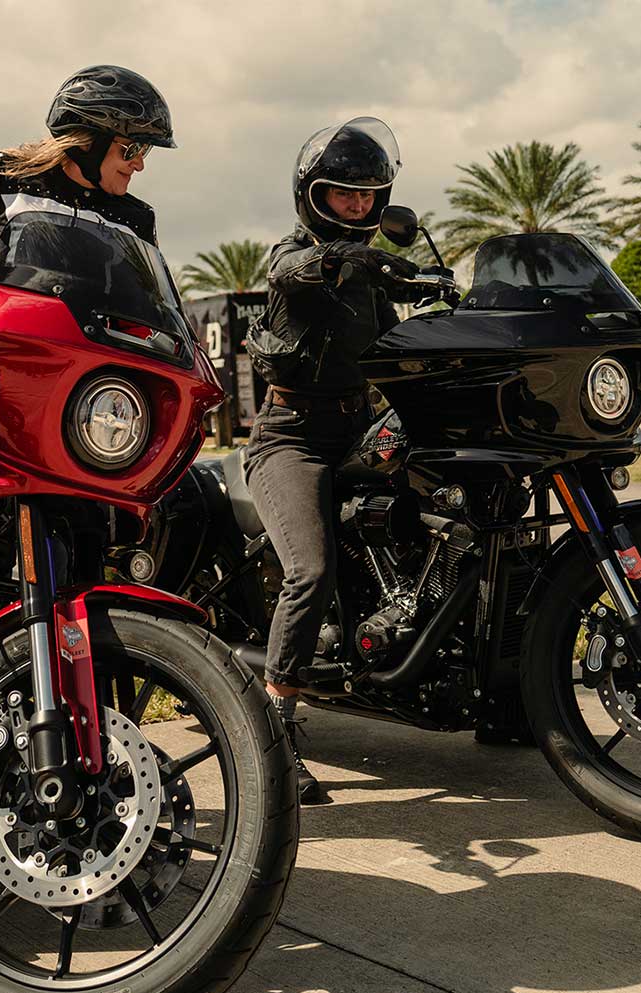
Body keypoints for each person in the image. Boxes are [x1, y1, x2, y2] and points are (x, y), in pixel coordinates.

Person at [244, 118, 424, 804]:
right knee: (310, 570)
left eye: (367, 194)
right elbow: (289, 272)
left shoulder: (371, 276)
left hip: (359, 430)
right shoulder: (294, 257)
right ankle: (276, 731)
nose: (357, 204)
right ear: (313, 195)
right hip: (290, 436)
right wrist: (345, 258)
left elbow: (400, 344)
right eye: (343, 193)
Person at [0, 64, 175, 279]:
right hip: (1, 329)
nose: (139, 164)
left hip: (86, 336)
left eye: (145, 151)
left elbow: (151, 309)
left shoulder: (136, 219)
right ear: (88, 143)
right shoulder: (7, 176)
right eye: (131, 149)